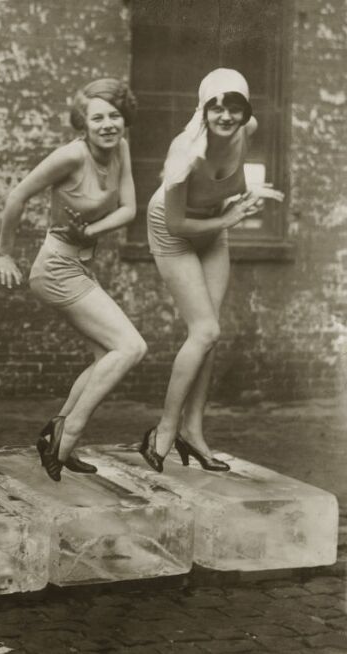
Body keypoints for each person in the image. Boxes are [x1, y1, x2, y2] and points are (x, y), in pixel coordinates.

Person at [0, 78, 145, 482]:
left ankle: (57, 436)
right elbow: (16, 197)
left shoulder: (121, 149)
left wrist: (91, 233)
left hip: (79, 264)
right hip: (56, 268)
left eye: (115, 115)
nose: (108, 124)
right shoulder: (70, 156)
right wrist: (4, 252)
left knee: (105, 356)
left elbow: (129, 209)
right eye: (98, 117)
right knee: (131, 347)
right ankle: (68, 433)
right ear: (84, 122)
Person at [139, 68, 283, 473]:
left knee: (209, 334)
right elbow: (176, 224)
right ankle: (164, 430)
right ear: (202, 108)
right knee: (204, 330)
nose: (225, 115)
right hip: (174, 231)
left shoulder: (247, 128)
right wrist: (231, 218)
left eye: (234, 105)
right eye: (215, 106)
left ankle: (193, 432)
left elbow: (235, 180)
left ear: (245, 109)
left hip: (216, 224)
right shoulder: (184, 151)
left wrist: (242, 201)